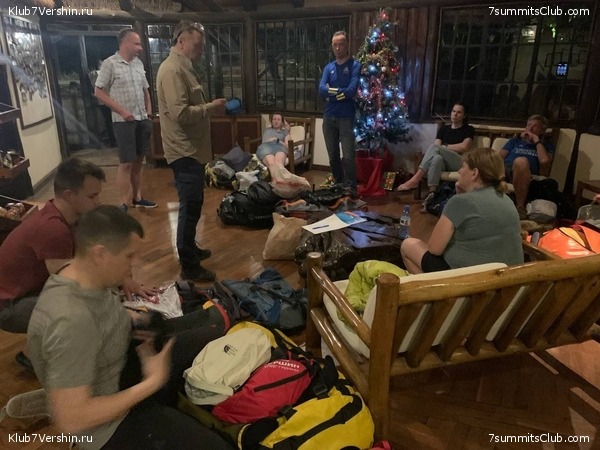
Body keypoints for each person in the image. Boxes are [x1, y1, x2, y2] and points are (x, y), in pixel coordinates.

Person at [27, 205, 233, 450]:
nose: (134, 264)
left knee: (216, 334)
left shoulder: (80, 274)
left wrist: (132, 319)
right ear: (100, 254)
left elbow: (98, 313)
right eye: (129, 256)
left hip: (121, 361)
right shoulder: (72, 321)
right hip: (105, 429)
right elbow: (71, 420)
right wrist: (152, 382)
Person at [156, 20, 226, 282]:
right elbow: (181, 114)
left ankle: (191, 249)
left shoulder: (183, 68)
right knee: (190, 204)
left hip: (191, 148)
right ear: (181, 41)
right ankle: (188, 264)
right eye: (197, 45)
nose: (201, 51)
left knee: (194, 203)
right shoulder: (172, 70)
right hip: (183, 149)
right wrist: (211, 107)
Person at [401, 148, 523, 274]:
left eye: (463, 167)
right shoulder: (507, 200)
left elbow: (434, 249)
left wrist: (457, 199)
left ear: (474, 173)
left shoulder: (460, 202)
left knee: (408, 245)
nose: (459, 171)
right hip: (509, 278)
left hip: (469, 279)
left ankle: (430, 286)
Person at [94, 29, 156, 213]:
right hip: (123, 122)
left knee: (138, 162)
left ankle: (137, 198)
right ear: (125, 43)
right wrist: (122, 111)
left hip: (142, 119)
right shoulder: (110, 64)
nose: (140, 48)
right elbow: (98, 92)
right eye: (137, 44)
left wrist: (149, 113)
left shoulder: (138, 64)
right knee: (126, 163)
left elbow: (145, 90)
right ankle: (123, 203)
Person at [397, 102, 474, 212]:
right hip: (444, 161)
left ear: (464, 115)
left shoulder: (468, 129)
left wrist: (445, 147)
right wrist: (443, 148)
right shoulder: (444, 129)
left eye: (459, 112)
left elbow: (464, 147)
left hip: (459, 162)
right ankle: (431, 197)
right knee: (436, 158)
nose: (455, 114)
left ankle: (416, 179)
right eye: (453, 111)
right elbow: (437, 146)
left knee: (435, 148)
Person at [319, 30, 361, 192]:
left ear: (347, 45)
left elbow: (351, 90)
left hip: (346, 118)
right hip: (329, 117)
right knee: (333, 156)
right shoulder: (328, 67)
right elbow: (321, 90)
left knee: (348, 156)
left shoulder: (354, 65)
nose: (337, 48)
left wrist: (332, 95)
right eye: (335, 45)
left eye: (341, 44)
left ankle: (350, 188)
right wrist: (340, 92)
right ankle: (338, 185)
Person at [500, 114, 555, 218]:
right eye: (528, 125)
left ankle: (520, 207)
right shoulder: (515, 141)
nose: (530, 128)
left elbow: (544, 161)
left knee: (521, 161)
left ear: (542, 130)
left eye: (535, 126)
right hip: (507, 171)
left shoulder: (546, 145)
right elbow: (498, 157)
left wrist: (536, 141)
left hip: (527, 174)